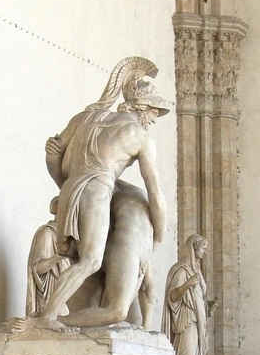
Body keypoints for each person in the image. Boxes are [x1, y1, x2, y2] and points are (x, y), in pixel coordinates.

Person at [32, 58, 170, 329]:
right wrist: (159, 234)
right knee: (91, 261)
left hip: (72, 188)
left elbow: (53, 157)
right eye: (154, 111)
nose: (154, 119)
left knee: (86, 263)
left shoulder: (85, 118)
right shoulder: (139, 136)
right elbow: (155, 192)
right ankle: (47, 318)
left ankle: (52, 317)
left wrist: (67, 187)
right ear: (142, 108)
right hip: (97, 189)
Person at [163, 234, 212, 355]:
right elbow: (172, 297)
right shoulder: (182, 271)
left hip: (197, 320)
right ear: (194, 248)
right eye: (203, 248)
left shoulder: (196, 272)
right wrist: (187, 284)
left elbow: (197, 299)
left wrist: (208, 309)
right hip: (186, 321)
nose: (204, 252)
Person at [26, 198, 69, 318]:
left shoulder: (68, 237)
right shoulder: (47, 233)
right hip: (49, 296)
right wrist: (58, 257)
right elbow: (37, 268)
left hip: (64, 295)